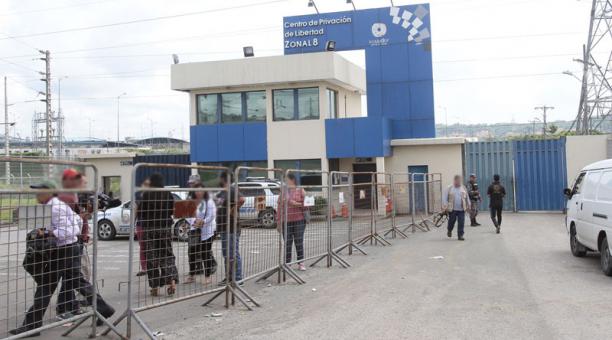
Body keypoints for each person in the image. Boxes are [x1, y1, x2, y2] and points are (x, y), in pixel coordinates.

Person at [10, 181, 114, 337]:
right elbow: (77, 223)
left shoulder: (55, 207)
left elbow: (67, 230)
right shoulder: (57, 205)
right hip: (70, 248)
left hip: (63, 250)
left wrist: (48, 234)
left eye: (39, 192)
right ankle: (103, 307)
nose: (36, 195)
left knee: (46, 286)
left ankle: (31, 326)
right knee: (77, 281)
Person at [56, 168, 92, 319]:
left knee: (73, 276)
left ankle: (72, 305)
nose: (84, 184)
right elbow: (72, 220)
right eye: (81, 182)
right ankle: (64, 307)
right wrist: (84, 216)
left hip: (76, 239)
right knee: (72, 275)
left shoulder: (73, 196)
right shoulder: (67, 197)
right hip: (69, 241)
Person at [136, 173, 179, 296]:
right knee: (167, 255)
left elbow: (141, 213)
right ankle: (171, 281)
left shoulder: (147, 195)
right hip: (165, 229)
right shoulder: (168, 194)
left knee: (152, 258)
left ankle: (155, 287)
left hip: (150, 230)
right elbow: (172, 210)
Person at [185, 181, 217, 284]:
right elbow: (187, 214)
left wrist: (203, 222)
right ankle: (192, 275)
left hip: (207, 230)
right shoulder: (191, 201)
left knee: (205, 253)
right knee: (192, 252)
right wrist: (194, 221)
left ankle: (207, 276)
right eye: (196, 190)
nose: (199, 192)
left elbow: (211, 215)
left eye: (200, 190)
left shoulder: (209, 201)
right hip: (194, 229)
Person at [216, 172, 244, 285]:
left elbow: (242, 199)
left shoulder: (232, 189)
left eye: (220, 177)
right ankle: (229, 277)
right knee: (226, 253)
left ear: (223, 178)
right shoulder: (222, 191)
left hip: (232, 227)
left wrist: (234, 208)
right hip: (223, 226)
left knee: (233, 252)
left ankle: (237, 278)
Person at [277, 174, 307, 271]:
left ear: (292, 180)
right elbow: (279, 207)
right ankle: (288, 263)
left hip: (299, 220)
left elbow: (307, 205)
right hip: (286, 221)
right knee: (287, 242)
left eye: (287, 180)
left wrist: (295, 203)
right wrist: (278, 221)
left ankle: (301, 262)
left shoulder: (300, 190)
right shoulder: (283, 192)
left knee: (299, 241)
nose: (285, 182)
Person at [442, 175, 471, 241]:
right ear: (454, 181)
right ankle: (449, 230)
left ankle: (460, 235)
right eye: (457, 181)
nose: (458, 183)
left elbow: (467, 197)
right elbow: (444, 198)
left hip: (461, 209)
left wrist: (469, 205)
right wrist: (445, 206)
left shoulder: (463, 188)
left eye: (459, 181)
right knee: (451, 221)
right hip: (452, 209)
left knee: (461, 222)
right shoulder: (449, 188)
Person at [135, 178, 150, 276]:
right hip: (141, 225)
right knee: (143, 247)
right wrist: (133, 226)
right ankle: (144, 268)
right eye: (145, 185)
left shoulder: (154, 197)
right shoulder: (139, 198)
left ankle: (153, 266)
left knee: (152, 246)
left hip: (151, 226)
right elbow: (135, 211)